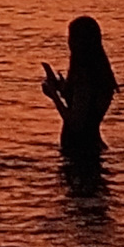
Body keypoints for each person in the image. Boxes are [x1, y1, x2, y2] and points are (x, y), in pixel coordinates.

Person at [42, 16, 117, 158]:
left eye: (71, 38)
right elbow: (83, 104)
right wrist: (60, 86)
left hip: (79, 149)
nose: (69, 42)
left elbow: (76, 123)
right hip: (91, 144)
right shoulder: (100, 74)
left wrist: (54, 96)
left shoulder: (85, 77)